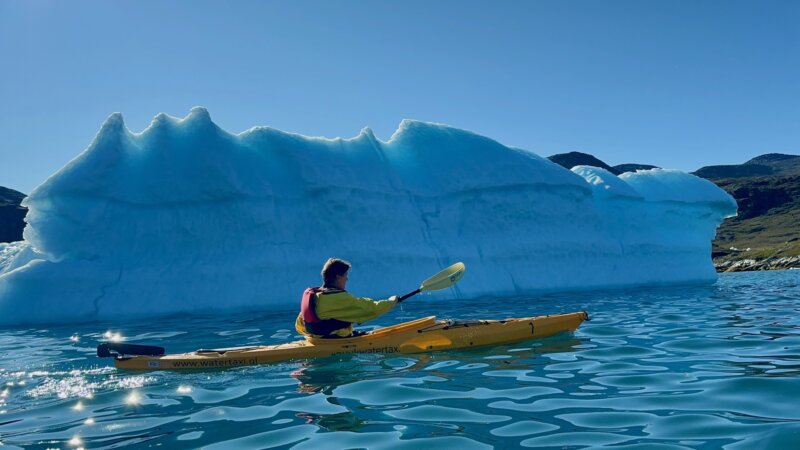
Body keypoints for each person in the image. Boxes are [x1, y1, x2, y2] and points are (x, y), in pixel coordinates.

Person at [296, 258, 398, 338]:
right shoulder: (337, 298)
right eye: (345, 275)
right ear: (338, 277)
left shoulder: (315, 297)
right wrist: (391, 302)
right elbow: (370, 309)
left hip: (317, 341)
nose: (347, 279)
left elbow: (299, 325)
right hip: (335, 344)